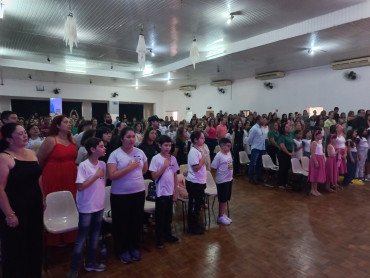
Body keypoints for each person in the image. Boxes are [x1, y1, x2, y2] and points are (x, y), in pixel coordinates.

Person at [0, 123, 44, 278]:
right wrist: (9, 214)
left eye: (25, 132)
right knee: (16, 247)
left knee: (34, 242)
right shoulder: (4, 158)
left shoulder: (31, 153)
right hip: (16, 208)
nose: (25, 135)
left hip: (34, 205)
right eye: (20, 134)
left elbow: (38, 178)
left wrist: (43, 198)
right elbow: (0, 189)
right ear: (9, 139)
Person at [107, 127, 148, 264]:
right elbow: (111, 176)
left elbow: (144, 169)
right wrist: (129, 169)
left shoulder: (140, 152)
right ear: (121, 139)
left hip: (138, 192)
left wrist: (134, 177)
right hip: (120, 195)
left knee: (136, 222)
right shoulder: (115, 154)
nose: (131, 139)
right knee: (122, 223)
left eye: (133, 137)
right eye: (128, 137)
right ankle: (122, 250)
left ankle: (134, 247)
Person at [68, 138, 107, 278]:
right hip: (86, 206)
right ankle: (74, 268)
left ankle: (91, 263)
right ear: (92, 149)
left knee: (95, 236)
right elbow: (81, 186)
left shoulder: (102, 164)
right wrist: (96, 176)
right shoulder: (84, 166)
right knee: (82, 238)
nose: (104, 148)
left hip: (99, 205)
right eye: (101, 146)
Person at [37, 115, 78, 246]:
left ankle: (69, 236)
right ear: (58, 125)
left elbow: (75, 157)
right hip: (53, 175)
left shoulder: (72, 139)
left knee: (70, 203)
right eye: (66, 122)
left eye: (70, 122)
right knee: (55, 206)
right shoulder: (51, 140)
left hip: (71, 175)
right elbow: (39, 160)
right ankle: (55, 238)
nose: (69, 124)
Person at [149, 135, 179, 248]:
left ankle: (168, 235)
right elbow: (154, 176)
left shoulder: (173, 158)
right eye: (165, 145)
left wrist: (175, 190)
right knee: (160, 217)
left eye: (170, 145)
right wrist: (164, 167)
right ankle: (159, 238)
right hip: (161, 192)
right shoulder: (156, 159)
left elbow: (175, 175)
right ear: (159, 145)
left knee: (168, 216)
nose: (168, 148)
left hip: (170, 192)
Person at [186, 131, 207, 235]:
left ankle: (196, 225)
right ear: (195, 140)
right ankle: (192, 227)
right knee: (193, 205)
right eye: (202, 138)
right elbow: (196, 168)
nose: (204, 140)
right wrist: (203, 159)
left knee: (198, 205)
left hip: (200, 182)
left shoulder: (199, 150)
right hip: (194, 183)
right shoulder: (193, 152)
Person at [211, 138, 233, 225]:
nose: (229, 148)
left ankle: (223, 214)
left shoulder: (229, 153)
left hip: (229, 178)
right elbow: (213, 167)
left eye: (230, 146)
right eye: (228, 146)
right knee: (222, 199)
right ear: (222, 146)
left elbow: (230, 164)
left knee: (226, 198)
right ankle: (220, 216)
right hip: (222, 180)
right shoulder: (219, 156)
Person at [247, 115, 265, 184]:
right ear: (258, 121)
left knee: (259, 164)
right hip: (256, 148)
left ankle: (258, 176)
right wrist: (252, 146)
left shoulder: (262, 128)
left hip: (261, 148)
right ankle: (251, 178)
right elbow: (249, 139)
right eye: (261, 119)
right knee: (253, 164)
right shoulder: (254, 128)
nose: (263, 120)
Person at [309, 129, 326, 196]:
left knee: (317, 175)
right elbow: (312, 153)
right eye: (320, 134)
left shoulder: (319, 143)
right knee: (314, 174)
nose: (321, 135)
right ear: (316, 135)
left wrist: (323, 159)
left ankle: (315, 189)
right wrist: (315, 161)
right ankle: (312, 189)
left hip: (320, 159)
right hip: (315, 159)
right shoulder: (314, 143)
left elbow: (321, 152)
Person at [277, 122, 294, 188]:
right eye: (286, 127)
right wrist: (288, 153)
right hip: (283, 154)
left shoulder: (290, 135)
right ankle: (280, 183)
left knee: (287, 168)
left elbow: (292, 143)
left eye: (288, 127)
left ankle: (285, 182)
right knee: (282, 168)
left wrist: (292, 151)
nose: (288, 128)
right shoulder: (282, 136)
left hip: (289, 153)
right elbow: (282, 146)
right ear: (283, 128)